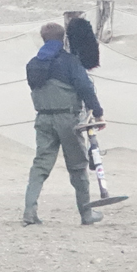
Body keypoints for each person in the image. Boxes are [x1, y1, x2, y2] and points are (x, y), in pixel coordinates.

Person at [23, 21, 106, 226]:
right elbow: (85, 88)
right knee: (77, 167)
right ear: (63, 39)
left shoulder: (33, 64)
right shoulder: (70, 62)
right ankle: (86, 214)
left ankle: (29, 211)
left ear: (43, 39)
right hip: (68, 119)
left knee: (40, 165)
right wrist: (98, 113)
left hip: (42, 118)